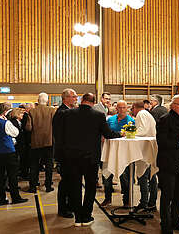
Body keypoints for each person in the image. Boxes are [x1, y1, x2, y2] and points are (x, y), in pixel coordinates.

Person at [57, 93, 121, 227]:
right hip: (91, 157)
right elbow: (108, 134)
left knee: (75, 187)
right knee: (90, 187)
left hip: (72, 157)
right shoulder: (98, 115)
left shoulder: (67, 114)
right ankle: (86, 216)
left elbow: (60, 136)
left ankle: (78, 218)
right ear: (93, 102)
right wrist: (120, 134)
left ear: (82, 101)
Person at [157, 95, 179, 234]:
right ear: (172, 105)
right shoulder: (164, 120)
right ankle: (165, 224)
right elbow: (162, 142)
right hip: (168, 164)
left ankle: (175, 221)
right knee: (168, 196)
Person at [0, 103, 28, 206]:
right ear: (4, 112)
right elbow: (16, 133)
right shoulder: (5, 123)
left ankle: (0, 199)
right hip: (8, 151)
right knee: (12, 176)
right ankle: (15, 197)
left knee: (0, 176)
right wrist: (6, 121)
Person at [101, 100, 135, 207]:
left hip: (124, 153)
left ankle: (126, 200)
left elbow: (132, 136)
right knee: (106, 175)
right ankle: (107, 198)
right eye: (119, 108)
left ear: (127, 108)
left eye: (123, 107)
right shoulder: (110, 119)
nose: (121, 110)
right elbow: (105, 132)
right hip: (110, 151)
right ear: (116, 109)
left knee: (125, 177)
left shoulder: (131, 121)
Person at [53, 88, 78, 218]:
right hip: (65, 154)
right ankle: (63, 209)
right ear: (66, 98)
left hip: (69, 153)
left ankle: (70, 206)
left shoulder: (68, 111)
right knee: (66, 182)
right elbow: (62, 136)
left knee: (70, 181)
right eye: (74, 96)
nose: (76, 98)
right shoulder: (62, 112)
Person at [26, 92, 56, 193]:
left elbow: (28, 128)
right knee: (49, 165)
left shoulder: (32, 111)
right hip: (49, 142)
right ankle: (48, 186)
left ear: (38, 100)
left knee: (34, 165)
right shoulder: (52, 110)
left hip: (36, 142)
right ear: (47, 100)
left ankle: (33, 187)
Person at [131, 101, 158, 212]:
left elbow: (143, 130)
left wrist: (130, 133)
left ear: (135, 107)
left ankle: (144, 203)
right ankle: (152, 202)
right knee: (151, 177)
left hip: (144, 150)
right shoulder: (148, 114)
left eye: (131, 109)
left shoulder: (141, 114)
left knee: (143, 177)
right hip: (150, 148)